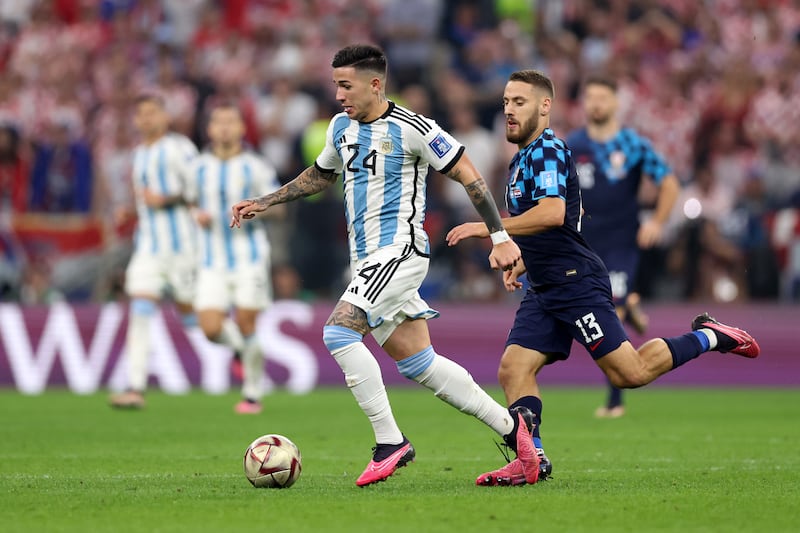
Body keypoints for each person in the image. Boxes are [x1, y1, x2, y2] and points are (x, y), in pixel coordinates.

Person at [231, 44, 541, 487]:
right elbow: (322, 173)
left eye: (346, 85)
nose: (338, 95)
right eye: (335, 85)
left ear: (375, 84)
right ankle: (518, 437)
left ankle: (389, 442)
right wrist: (266, 200)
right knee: (420, 364)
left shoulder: (414, 127)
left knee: (338, 332)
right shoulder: (341, 127)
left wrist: (499, 235)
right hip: (366, 262)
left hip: (400, 252)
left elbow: (469, 174)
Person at [446, 69, 760, 486]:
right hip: (544, 285)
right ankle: (530, 460)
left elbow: (554, 213)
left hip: (575, 282)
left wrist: (492, 228)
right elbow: (558, 223)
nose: (508, 110)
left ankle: (712, 336)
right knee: (513, 368)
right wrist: (522, 258)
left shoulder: (549, 149)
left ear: (545, 106)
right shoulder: (524, 156)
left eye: (519, 102)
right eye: (505, 102)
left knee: (629, 373)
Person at [566, 75, 681, 418]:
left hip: (620, 244)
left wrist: (657, 222)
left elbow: (670, 183)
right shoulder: (572, 145)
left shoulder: (632, 145)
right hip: (583, 243)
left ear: (616, 103)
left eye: (603, 97)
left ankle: (615, 401)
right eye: (590, 97)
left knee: (609, 312)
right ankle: (630, 304)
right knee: (591, 310)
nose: (596, 104)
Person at [187, 102, 285, 414]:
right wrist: (195, 214)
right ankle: (244, 352)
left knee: (245, 321)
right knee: (211, 328)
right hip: (210, 259)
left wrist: (260, 208)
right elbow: (186, 203)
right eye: (219, 121)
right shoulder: (196, 167)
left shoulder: (256, 166)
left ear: (242, 129)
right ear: (210, 129)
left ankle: (252, 394)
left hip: (249, 256)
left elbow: (279, 206)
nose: (225, 127)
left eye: (231, 122)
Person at [110, 94, 199, 409]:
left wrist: (166, 200)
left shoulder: (180, 148)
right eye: (141, 114)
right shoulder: (138, 154)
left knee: (196, 319)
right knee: (141, 306)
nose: (146, 119)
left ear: (165, 116)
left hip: (183, 247)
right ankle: (135, 387)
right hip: (148, 247)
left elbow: (199, 185)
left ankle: (236, 349)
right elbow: (146, 203)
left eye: (152, 113)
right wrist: (131, 213)